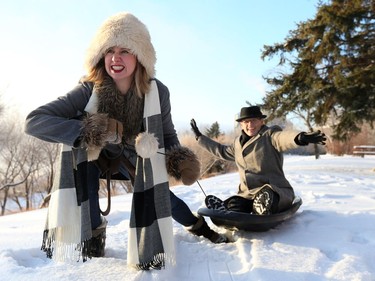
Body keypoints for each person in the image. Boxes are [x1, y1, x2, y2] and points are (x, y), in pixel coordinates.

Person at [25, 12, 227, 270]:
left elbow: (167, 134)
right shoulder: (89, 88)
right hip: (96, 154)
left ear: (140, 56)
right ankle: (93, 239)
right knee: (83, 175)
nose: (115, 58)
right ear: (101, 56)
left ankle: (198, 226)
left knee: (160, 192)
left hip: (136, 155)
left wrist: (179, 159)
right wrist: (92, 130)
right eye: (109, 50)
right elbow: (34, 121)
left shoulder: (157, 91)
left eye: (124, 51)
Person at [190, 106, 326, 215]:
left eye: (254, 120)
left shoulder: (269, 135)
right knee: (236, 204)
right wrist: (200, 138)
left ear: (262, 121)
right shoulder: (238, 144)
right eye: (246, 122)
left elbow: (282, 138)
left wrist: (299, 137)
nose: (250, 125)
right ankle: (229, 210)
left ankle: (262, 208)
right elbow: (221, 151)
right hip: (248, 195)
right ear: (241, 124)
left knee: (268, 197)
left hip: (274, 191)